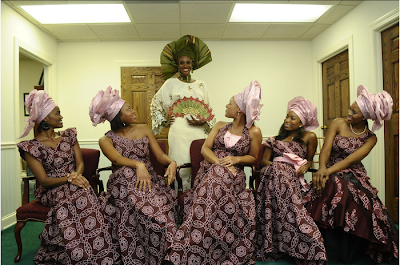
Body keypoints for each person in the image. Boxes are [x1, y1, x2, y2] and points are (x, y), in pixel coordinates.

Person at [162, 80, 263, 265]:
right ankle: (189, 247)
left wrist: (237, 159)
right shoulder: (219, 125)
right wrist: (220, 163)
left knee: (218, 177)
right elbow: (205, 150)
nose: (226, 105)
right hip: (209, 170)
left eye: (230, 103)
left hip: (235, 175)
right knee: (217, 173)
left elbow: (254, 157)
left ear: (239, 110)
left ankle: (187, 248)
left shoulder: (254, 132)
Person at [17, 89, 118, 265]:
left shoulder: (69, 136)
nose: (61, 116)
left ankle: (98, 250)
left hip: (74, 181)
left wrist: (75, 175)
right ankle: (79, 254)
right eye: (57, 113)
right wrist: (70, 179)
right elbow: (44, 181)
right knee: (77, 195)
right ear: (45, 118)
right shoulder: (30, 147)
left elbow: (80, 164)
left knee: (83, 193)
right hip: (52, 189)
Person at [307, 85, 398, 263]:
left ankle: (347, 250)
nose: (349, 113)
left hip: (353, 174)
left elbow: (349, 161)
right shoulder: (338, 123)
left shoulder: (371, 138)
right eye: (350, 108)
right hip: (328, 167)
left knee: (347, 192)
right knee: (332, 185)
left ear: (365, 117)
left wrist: (326, 172)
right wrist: (322, 169)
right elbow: (325, 150)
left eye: (354, 112)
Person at [89, 86, 178, 265]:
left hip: (151, 183)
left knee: (130, 174)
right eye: (128, 109)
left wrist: (171, 162)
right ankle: (155, 219)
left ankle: (164, 239)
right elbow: (117, 159)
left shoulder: (144, 129)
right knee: (126, 173)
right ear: (117, 117)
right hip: (122, 185)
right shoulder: (105, 140)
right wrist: (138, 165)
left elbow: (159, 156)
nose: (134, 111)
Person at [255, 96, 327, 265]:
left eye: (292, 118)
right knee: (278, 169)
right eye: (287, 116)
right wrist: (281, 164)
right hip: (272, 175)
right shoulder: (274, 140)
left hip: (293, 179)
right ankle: (299, 224)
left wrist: (306, 165)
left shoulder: (309, 137)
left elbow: (309, 160)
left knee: (283, 175)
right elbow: (264, 162)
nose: (287, 120)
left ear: (301, 123)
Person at [151, 35, 215, 192]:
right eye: (182, 62)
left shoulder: (201, 85)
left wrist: (203, 122)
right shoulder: (170, 83)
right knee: (180, 164)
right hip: (178, 131)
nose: (185, 65)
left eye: (188, 62)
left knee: (199, 165)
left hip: (199, 132)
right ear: (177, 65)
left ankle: (200, 200)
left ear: (193, 64)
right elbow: (155, 103)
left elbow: (209, 110)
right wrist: (164, 121)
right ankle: (180, 200)